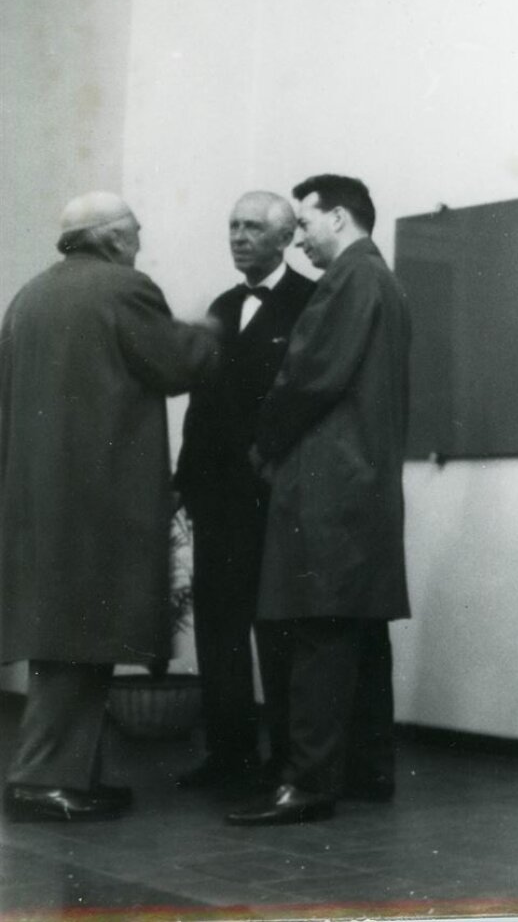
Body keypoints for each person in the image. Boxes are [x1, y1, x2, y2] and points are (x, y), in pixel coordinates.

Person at [0, 192, 218, 822]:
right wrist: (210, 332)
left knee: (65, 639)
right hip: (97, 501)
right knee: (80, 640)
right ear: (115, 237)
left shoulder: (28, 297)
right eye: (136, 231)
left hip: (40, 501)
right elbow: (176, 363)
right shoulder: (124, 288)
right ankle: (42, 782)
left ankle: (74, 775)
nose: (141, 242)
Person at [226, 174, 411, 826]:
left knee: (318, 630)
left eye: (304, 224)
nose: (298, 240)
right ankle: (367, 770)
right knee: (358, 630)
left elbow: (308, 377)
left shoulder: (348, 280)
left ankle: (307, 783)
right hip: (364, 480)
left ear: (337, 218)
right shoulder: (381, 279)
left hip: (329, 482)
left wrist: (264, 443)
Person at [173, 192, 314, 790]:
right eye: (233, 226)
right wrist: (183, 481)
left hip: (275, 493)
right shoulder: (224, 306)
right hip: (216, 496)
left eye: (253, 227)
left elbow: (306, 398)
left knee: (278, 629)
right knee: (219, 627)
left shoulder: (311, 301)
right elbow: (201, 405)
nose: (238, 237)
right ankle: (228, 754)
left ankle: (286, 759)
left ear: (284, 239)